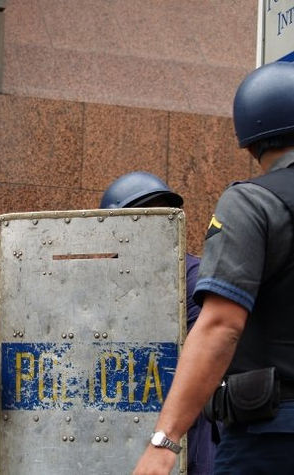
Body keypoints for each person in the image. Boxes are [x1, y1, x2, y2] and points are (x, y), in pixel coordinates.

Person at [133, 61, 294, 474]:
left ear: (250, 141)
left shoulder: (252, 202)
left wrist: (164, 441)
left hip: (272, 439)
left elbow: (222, 324)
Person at [101, 172, 215, 474]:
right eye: (143, 217)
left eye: (164, 215)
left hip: (184, 437)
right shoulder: (102, 284)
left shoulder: (193, 278)